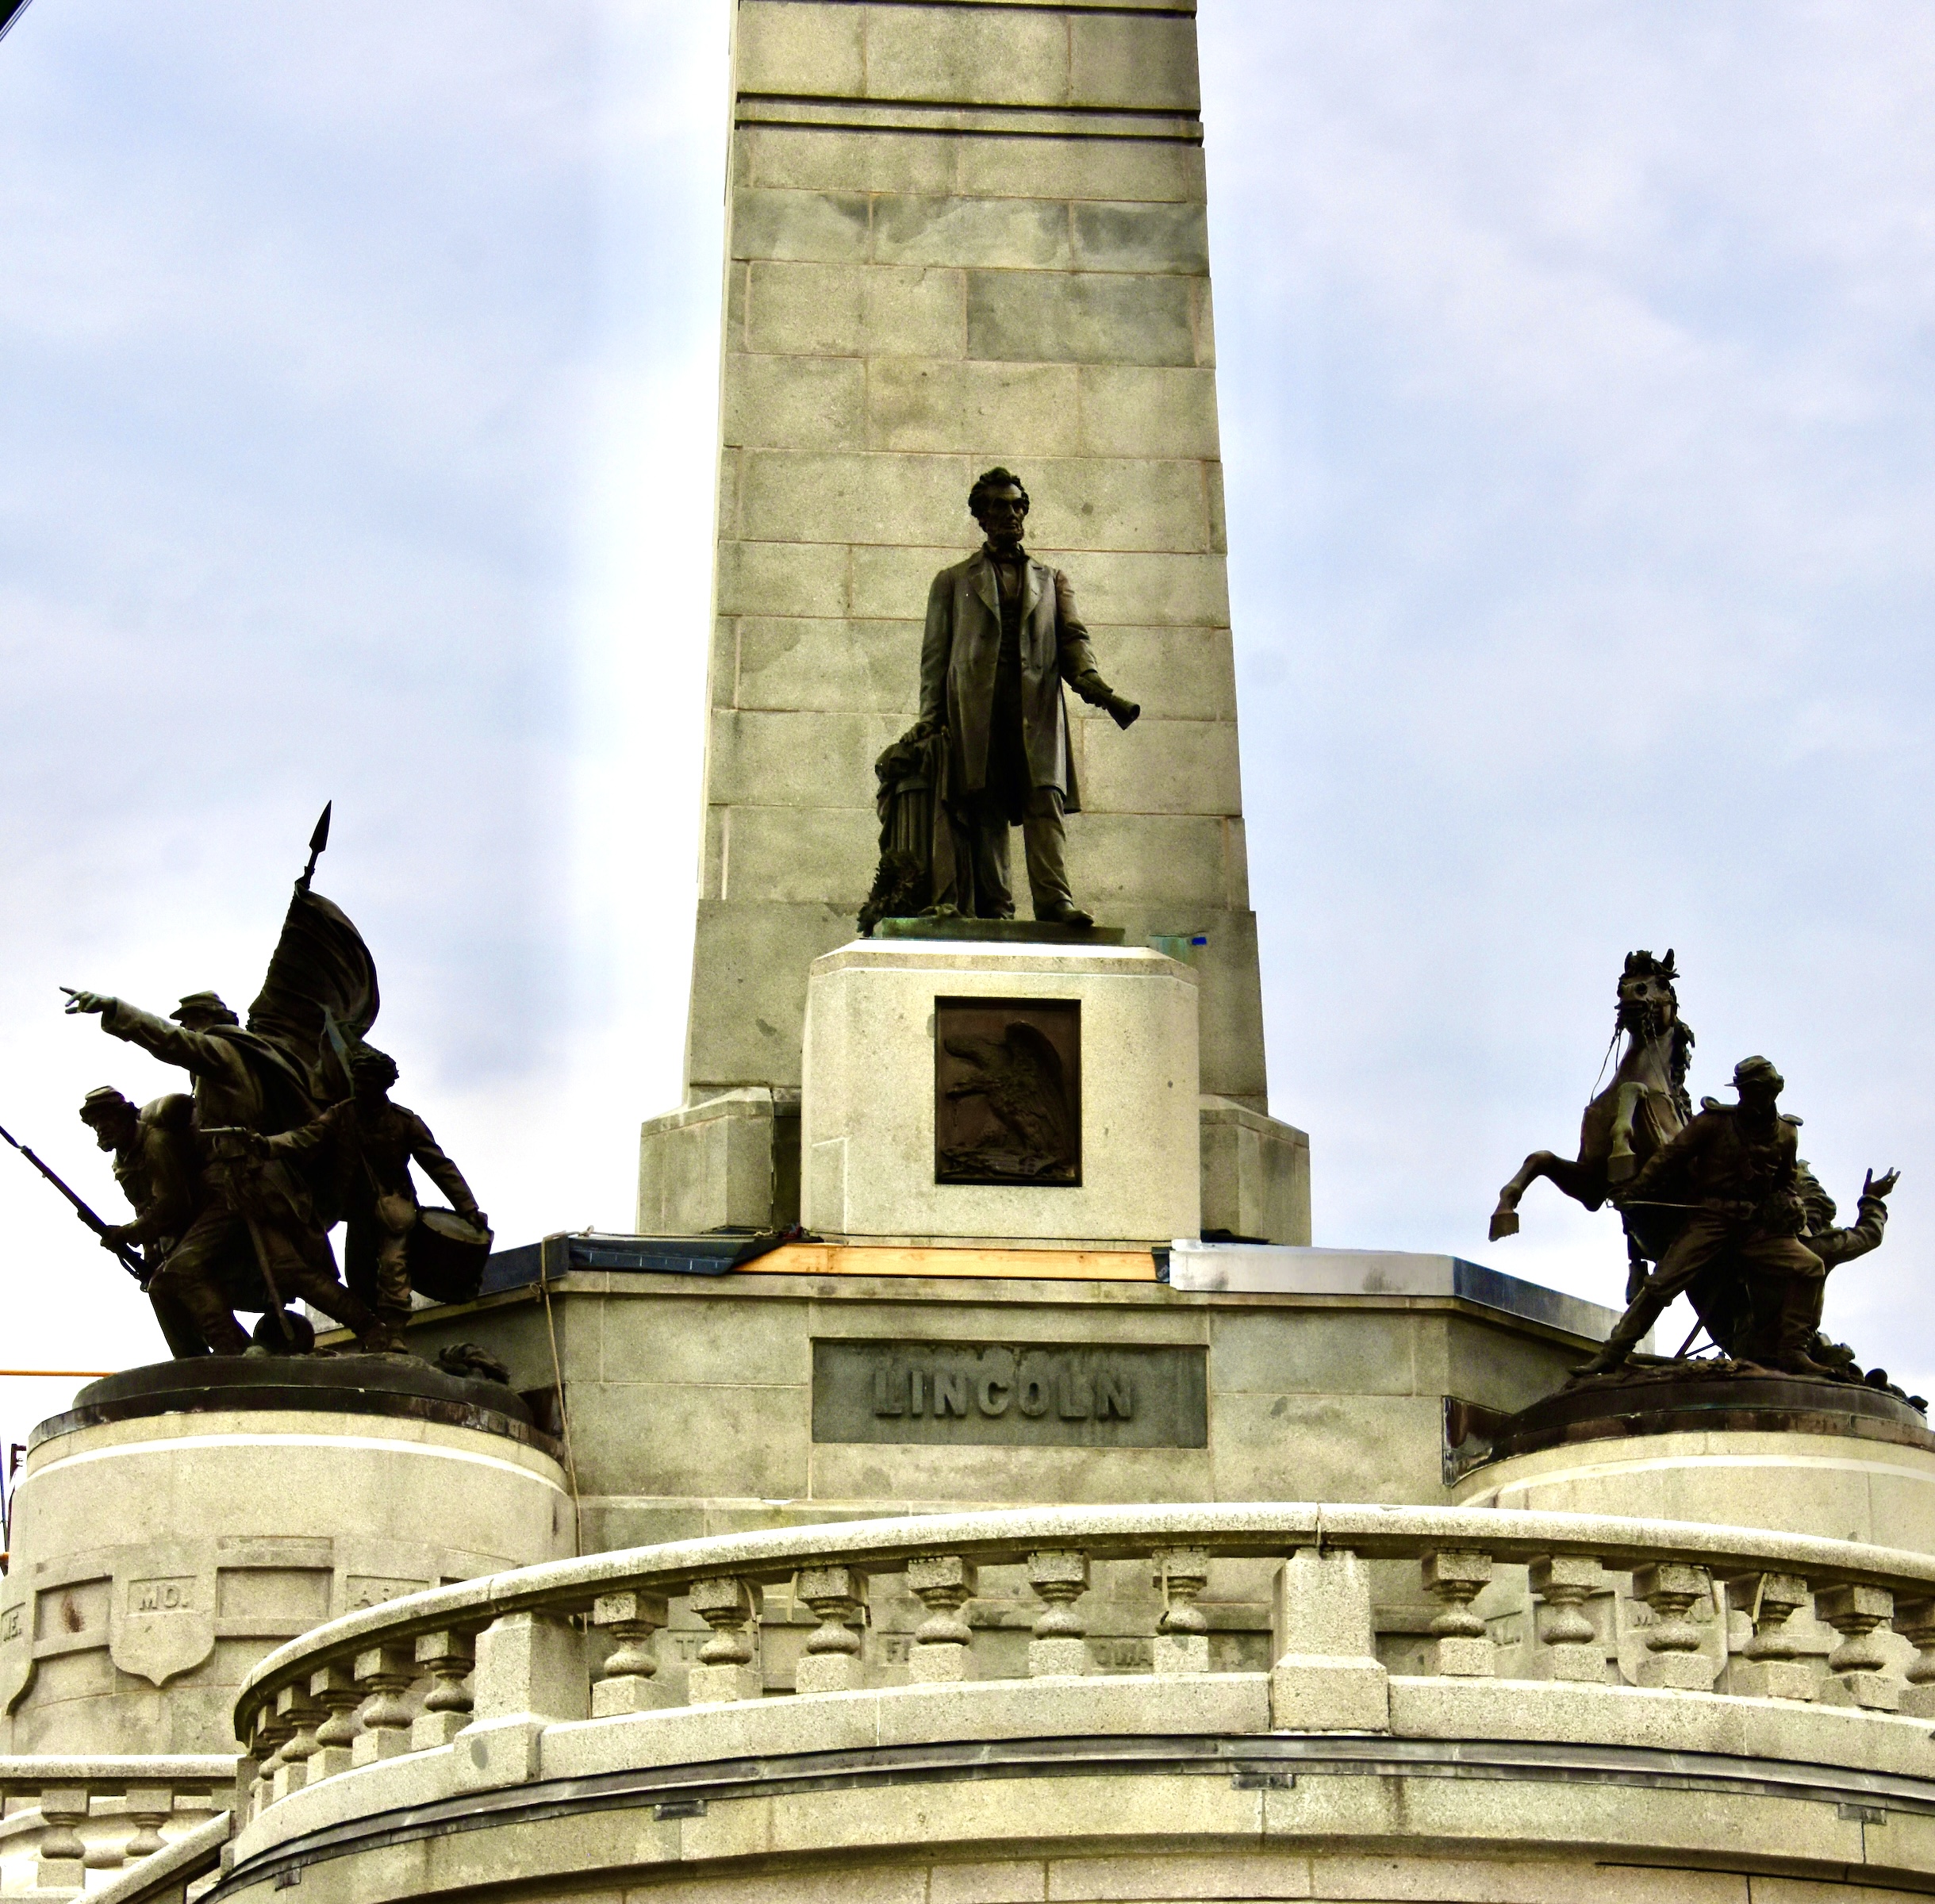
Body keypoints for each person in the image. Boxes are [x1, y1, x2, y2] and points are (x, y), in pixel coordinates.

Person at [63, 988, 384, 1355]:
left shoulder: (220, 1051)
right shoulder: (232, 1062)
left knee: (189, 1269)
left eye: (191, 1024)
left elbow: (168, 1041)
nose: (188, 1031)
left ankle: (232, 1355)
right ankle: (370, 1328)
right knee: (287, 1270)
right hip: (244, 1181)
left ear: (208, 1022)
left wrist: (116, 1010)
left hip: (243, 1179)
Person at [917, 467, 1140, 924]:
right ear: (981, 516)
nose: (1010, 514)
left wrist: (1093, 681)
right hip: (975, 712)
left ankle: (1055, 902)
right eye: (998, 506)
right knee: (986, 807)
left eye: (1017, 505)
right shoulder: (952, 581)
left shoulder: (1052, 578)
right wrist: (931, 717)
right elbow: (935, 660)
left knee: (1044, 800)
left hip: (1036, 708)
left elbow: (1074, 641)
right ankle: (996, 908)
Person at [1575, 1056, 1831, 1379]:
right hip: (1712, 1221)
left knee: (1810, 1267)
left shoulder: (1786, 1134)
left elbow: (1785, 1181)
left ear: (1772, 1092)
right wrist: (1637, 1189)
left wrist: (1788, 1207)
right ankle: (1611, 1355)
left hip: (1754, 1228)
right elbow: (1670, 1157)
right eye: (1743, 1091)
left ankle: (1792, 1351)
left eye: (1754, 1091)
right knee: (1659, 1285)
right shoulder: (1714, 1122)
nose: (1747, 1098)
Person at [262, 1046, 486, 1352]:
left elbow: (440, 1166)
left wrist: (468, 1207)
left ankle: (395, 1334)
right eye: (359, 1079)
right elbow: (304, 1138)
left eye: (369, 1081)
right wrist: (267, 1146)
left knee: (394, 1270)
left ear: (385, 1083)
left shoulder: (405, 1122)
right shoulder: (342, 1114)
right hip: (357, 1212)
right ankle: (373, 1333)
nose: (362, 1086)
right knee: (358, 1276)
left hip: (395, 1210)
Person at [77, 1085, 206, 1358]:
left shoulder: (155, 1143)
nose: (100, 1128)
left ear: (124, 1117)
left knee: (171, 1283)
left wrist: (125, 1234)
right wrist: (149, 1257)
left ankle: (224, 1353)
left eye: (105, 1119)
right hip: (171, 1236)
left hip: (200, 1222)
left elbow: (172, 1205)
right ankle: (194, 1363)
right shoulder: (123, 1160)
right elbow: (144, 1207)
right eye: (94, 1123)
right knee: (159, 1286)